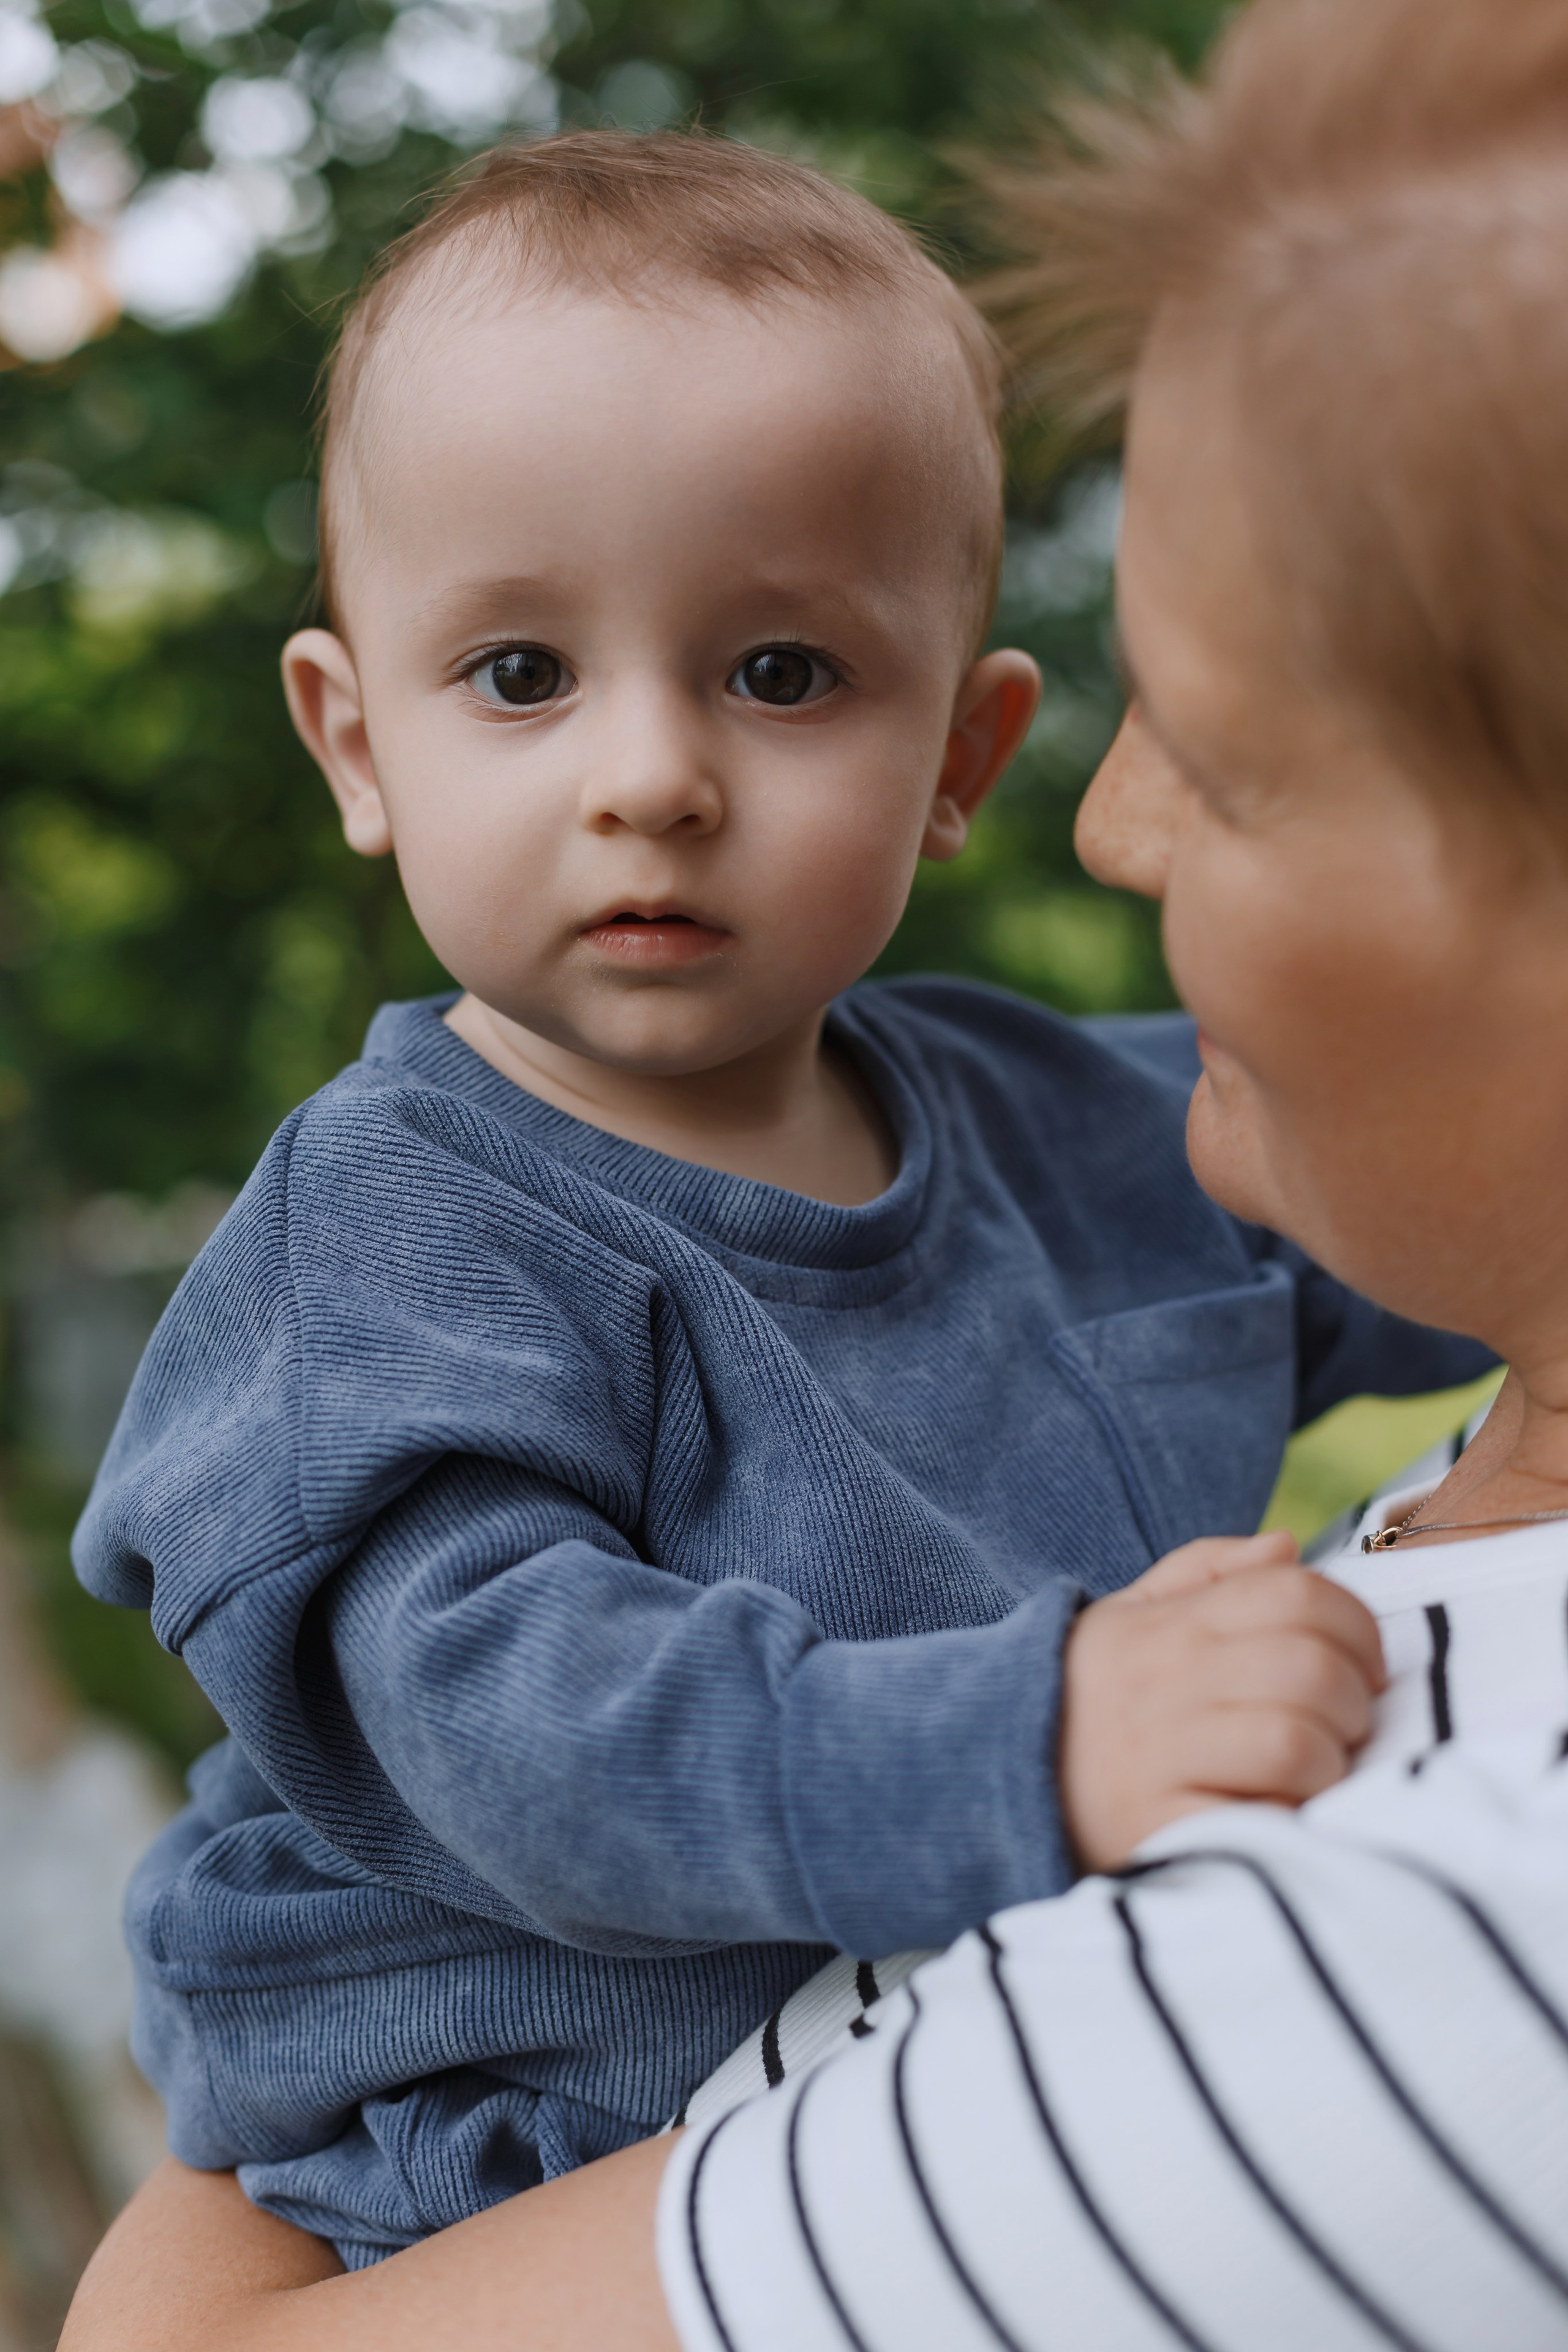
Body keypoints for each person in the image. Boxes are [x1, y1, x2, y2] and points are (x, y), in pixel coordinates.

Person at [58, 0, 1568, 2342]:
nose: (650, 774)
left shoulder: (1079, 1124)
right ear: (355, 741)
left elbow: (1487, 1221)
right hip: (481, 2141)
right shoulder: (389, 1233)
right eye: (523, 674)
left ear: (963, 753)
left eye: (779, 676)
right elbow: (519, 1727)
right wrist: (1028, 1739)